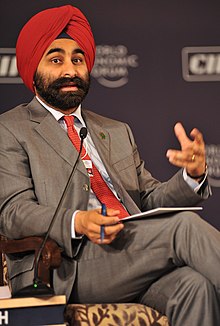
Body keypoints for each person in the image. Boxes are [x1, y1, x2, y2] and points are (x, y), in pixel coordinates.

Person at [0, 5, 219, 325]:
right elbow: (13, 213)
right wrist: (78, 221)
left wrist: (192, 175)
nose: (70, 69)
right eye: (56, 59)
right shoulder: (11, 128)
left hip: (133, 249)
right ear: (34, 70)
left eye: (77, 59)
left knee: (194, 287)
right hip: (68, 265)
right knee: (182, 226)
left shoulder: (114, 130)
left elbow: (148, 200)